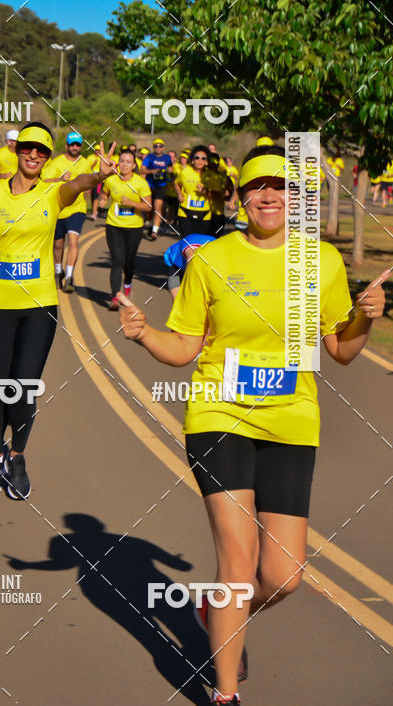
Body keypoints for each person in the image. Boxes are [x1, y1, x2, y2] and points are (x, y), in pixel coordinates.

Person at [118, 144, 387, 706]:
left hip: (291, 423)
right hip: (218, 416)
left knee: (285, 576)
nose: (269, 195)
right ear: (240, 197)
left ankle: (217, 611)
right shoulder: (212, 259)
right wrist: (144, 334)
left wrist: (365, 317)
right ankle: (225, 694)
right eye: (257, 186)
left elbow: (341, 350)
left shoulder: (321, 262)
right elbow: (184, 346)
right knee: (237, 565)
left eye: (281, 186)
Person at [0, 123, 117, 498]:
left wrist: (99, 175)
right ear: (17, 151)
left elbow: (77, 184)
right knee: (0, 384)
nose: (34, 155)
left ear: (48, 157)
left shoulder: (52, 193)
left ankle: (17, 457)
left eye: (42, 151)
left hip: (40, 305)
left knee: (24, 385)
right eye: (28, 148)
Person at [98, 148, 152, 310]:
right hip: (113, 225)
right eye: (122, 161)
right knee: (117, 261)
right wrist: (102, 201)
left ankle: (127, 283)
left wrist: (131, 203)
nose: (124, 164)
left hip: (134, 228)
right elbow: (104, 194)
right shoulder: (111, 180)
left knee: (128, 262)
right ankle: (115, 297)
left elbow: (148, 206)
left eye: (128, 162)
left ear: (134, 165)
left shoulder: (140, 183)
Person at [43, 131, 92, 293]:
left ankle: (69, 277)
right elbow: (44, 181)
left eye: (78, 145)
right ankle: (59, 272)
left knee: (73, 241)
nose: (75, 147)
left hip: (77, 209)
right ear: (66, 146)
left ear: (81, 146)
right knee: (58, 244)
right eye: (72, 144)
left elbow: (90, 181)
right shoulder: (57, 163)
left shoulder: (85, 163)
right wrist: (60, 180)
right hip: (59, 209)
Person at [174, 145, 213, 237]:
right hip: (185, 211)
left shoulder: (211, 176)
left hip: (204, 213)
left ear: (207, 162)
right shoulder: (185, 172)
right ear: (192, 160)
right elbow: (176, 183)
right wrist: (179, 194)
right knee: (186, 241)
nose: (200, 160)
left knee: (199, 243)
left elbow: (217, 196)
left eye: (203, 158)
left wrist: (205, 191)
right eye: (197, 158)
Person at [164, 233, 215, 300]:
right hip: (176, 258)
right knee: (178, 295)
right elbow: (174, 287)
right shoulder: (173, 255)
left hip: (209, 248)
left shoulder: (217, 256)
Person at [141, 138, 173, 240]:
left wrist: (167, 172)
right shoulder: (149, 157)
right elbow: (142, 170)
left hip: (161, 186)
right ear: (153, 147)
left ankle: (155, 231)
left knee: (157, 208)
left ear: (163, 147)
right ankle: (150, 225)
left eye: (160, 146)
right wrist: (152, 171)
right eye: (156, 146)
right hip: (150, 186)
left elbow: (171, 169)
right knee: (149, 209)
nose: (158, 148)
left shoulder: (167, 158)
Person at [86, 142, 102, 221]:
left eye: (99, 150)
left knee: (96, 195)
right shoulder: (90, 157)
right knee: (92, 196)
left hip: (98, 179)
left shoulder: (102, 158)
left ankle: (94, 213)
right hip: (90, 178)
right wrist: (93, 164)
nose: (98, 151)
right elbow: (87, 168)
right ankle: (94, 211)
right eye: (96, 150)